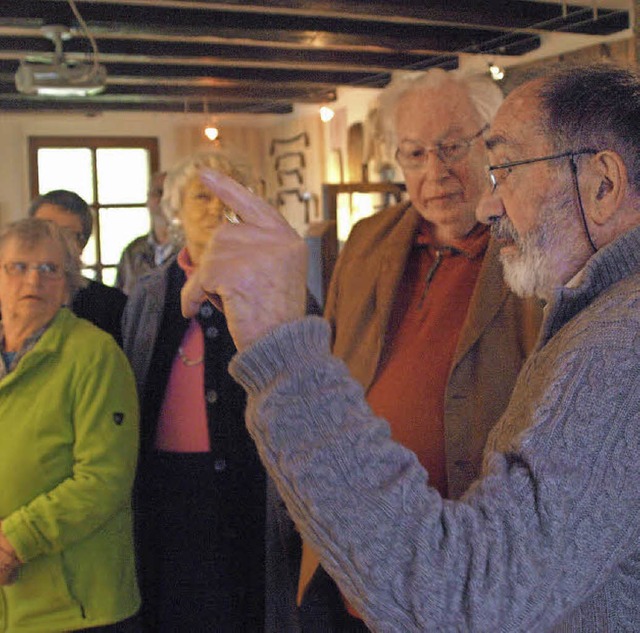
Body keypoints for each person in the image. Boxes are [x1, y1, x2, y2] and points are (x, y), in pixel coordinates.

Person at [182, 63, 640, 631]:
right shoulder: (374, 241)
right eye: (414, 154)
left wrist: (280, 348)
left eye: (505, 168)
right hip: (368, 563)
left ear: (603, 184)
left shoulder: (620, 345)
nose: (489, 204)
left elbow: (464, 597)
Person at [297, 69, 542, 630]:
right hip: (353, 557)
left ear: (494, 142)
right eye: (414, 153)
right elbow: (332, 365)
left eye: (453, 147)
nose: (435, 173)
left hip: (469, 573)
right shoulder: (366, 242)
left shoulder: (535, 249)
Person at [122, 150, 320, 632]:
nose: (213, 209)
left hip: (252, 484)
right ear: (176, 210)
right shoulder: (150, 293)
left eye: (226, 197)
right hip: (166, 488)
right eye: (200, 197)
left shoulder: (281, 286)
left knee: (246, 605)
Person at [0, 218, 140, 632]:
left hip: (75, 606)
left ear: (68, 286)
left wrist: (14, 542)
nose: (34, 280)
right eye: (18, 267)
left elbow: (104, 478)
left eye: (49, 269)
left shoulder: (94, 354)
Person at [28, 189, 127, 346]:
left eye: (65, 235)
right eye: (43, 229)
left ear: (82, 245)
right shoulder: (9, 298)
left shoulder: (112, 307)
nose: (51, 242)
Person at [115, 172, 178, 296]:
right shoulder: (132, 251)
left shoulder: (192, 249)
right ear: (148, 199)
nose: (163, 199)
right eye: (158, 192)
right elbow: (119, 301)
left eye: (170, 194)